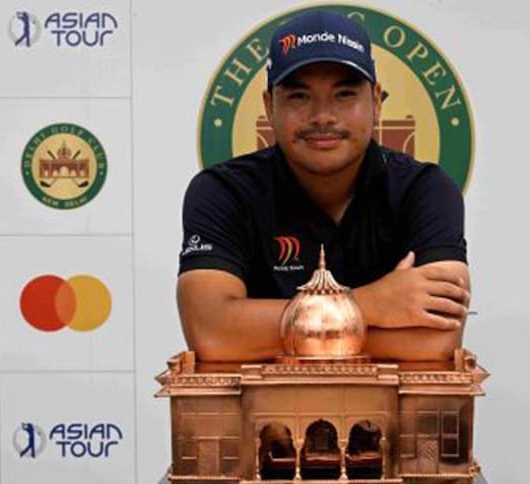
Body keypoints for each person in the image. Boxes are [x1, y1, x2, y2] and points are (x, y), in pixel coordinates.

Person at [177, 10, 470, 364]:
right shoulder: (223, 191)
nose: (322, 116)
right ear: (269, 105)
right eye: (299, 96)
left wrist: (262, 328)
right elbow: (212, 332)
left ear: (376, 100)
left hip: (395, 417)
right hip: (262, 415)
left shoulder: (426, 189)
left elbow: (434, 342)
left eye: (344, 94)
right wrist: (369, 304)